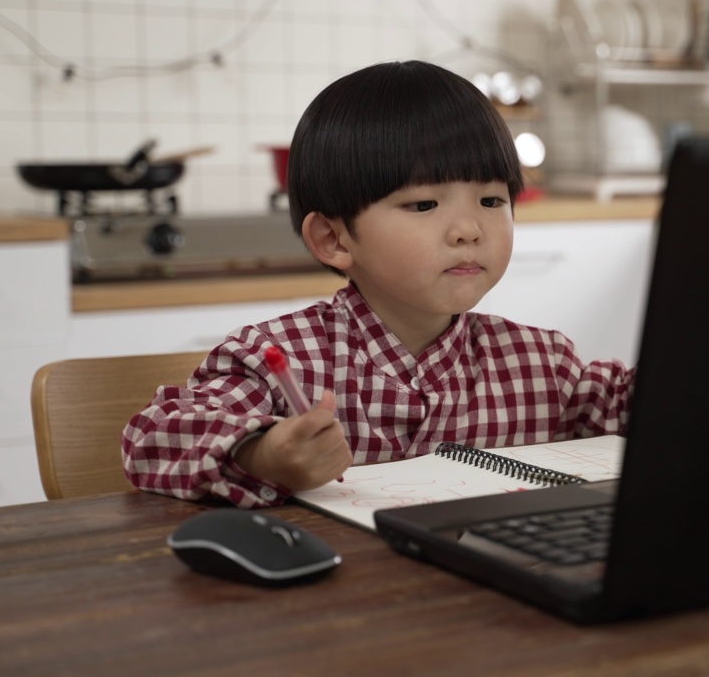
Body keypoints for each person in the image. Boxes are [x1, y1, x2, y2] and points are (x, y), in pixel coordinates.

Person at [122, 61, 635, 508]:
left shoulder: (542, 364)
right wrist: (263, 454)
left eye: (492, 201)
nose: (468, 229)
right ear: (333, 238)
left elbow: (653, 406)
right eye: (424, 205)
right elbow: (150, 437)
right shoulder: (277, 360)